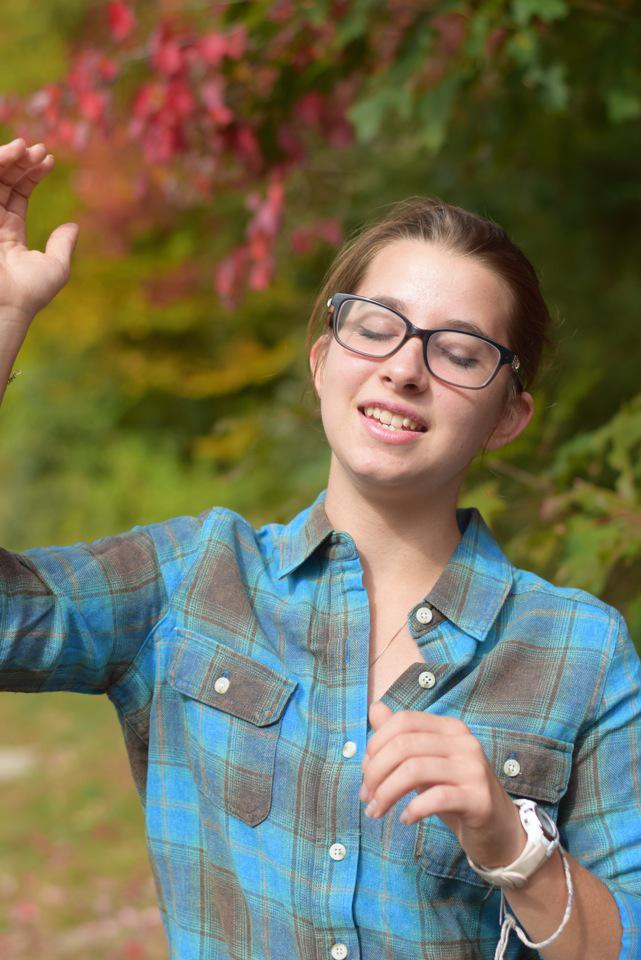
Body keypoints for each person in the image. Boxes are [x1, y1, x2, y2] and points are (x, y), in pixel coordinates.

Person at [0, 136, 639, 960]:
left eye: (458, 352)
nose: (404, 369)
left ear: (507, 416)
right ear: (322, 360)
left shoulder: (579, 652)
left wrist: (512, 846)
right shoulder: (193, 579)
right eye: (375, 329)